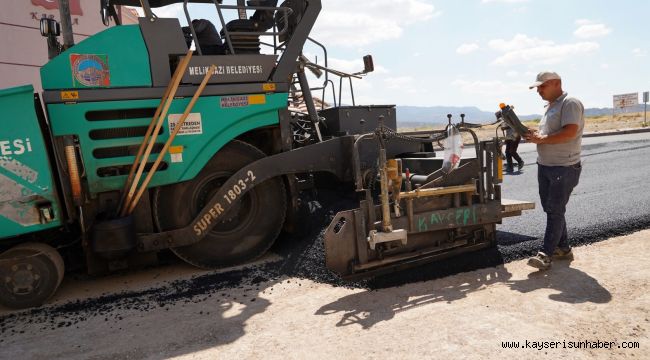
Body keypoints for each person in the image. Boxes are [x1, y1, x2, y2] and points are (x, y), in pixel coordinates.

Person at [523, 71, 584, 270]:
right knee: (553, 209)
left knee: (555, 210)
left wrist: (542, 139)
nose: (538, 90)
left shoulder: (570, 103)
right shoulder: (551, 106)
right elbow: (549, 134)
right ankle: (564, 249)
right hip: (546, 165)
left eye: (542, 86)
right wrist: (536, 135)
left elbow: (570, 131)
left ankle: (545, 255)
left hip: (564, 167)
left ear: (556, 83)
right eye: (537, 87)